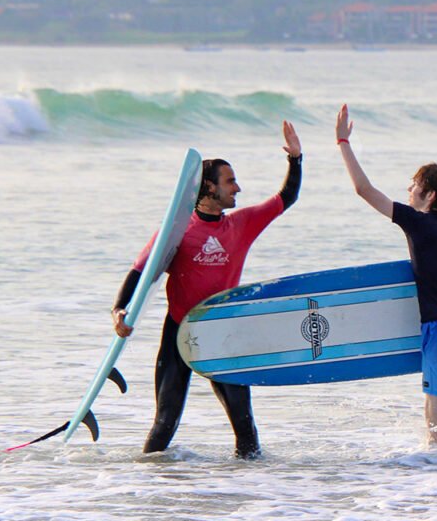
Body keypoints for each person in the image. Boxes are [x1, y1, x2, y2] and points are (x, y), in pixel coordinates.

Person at [112, 122, 302, 458]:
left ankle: (249, 492)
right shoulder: (178, 231)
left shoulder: (242, 224)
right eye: (230, 182)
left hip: (223, 332)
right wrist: (119, 310)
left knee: (245, 429)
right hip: (179, 330)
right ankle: (146, 488)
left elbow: (286, 198)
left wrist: (296, 159)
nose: (238, 188)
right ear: (209, 188)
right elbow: (140, 270)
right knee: (165, 423)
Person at [335, 104, 437, 449]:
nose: (408, 189)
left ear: (430, 196)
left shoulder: (417, 221)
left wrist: (342, 143)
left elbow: (364, 190)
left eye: (414, 185)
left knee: (435, 402)